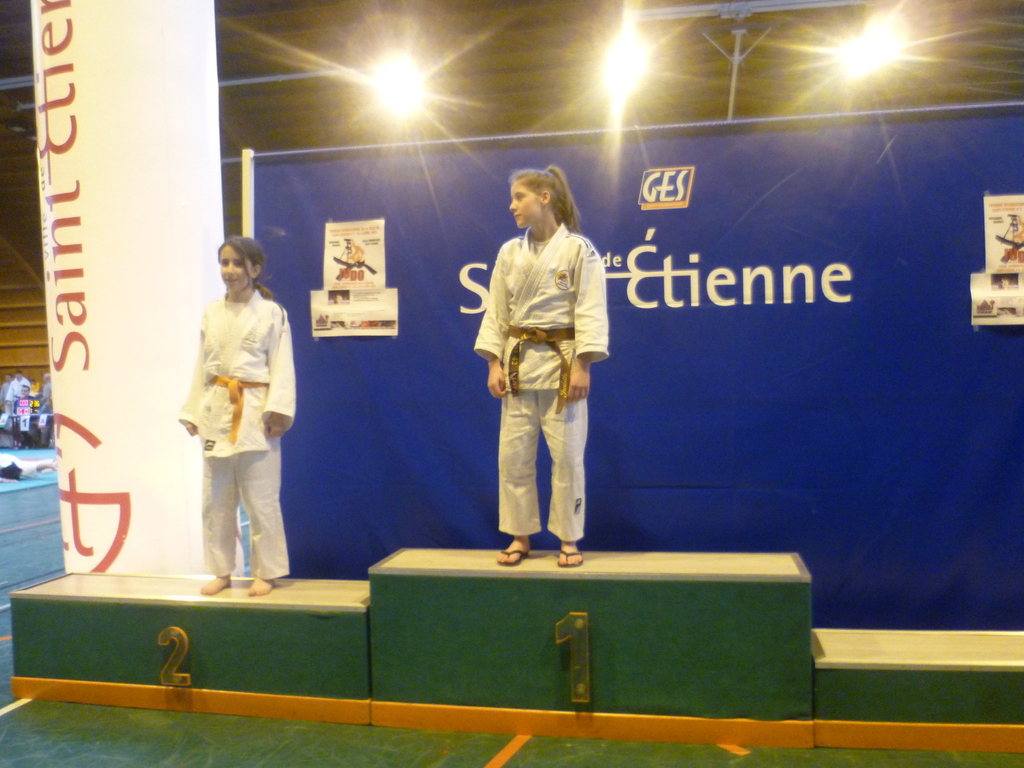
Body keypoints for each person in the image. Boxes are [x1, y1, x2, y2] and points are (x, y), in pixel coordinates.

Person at [474, 166, 609, 568]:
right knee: (513, 458)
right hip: (517, 366)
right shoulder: (509, 252)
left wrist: (583, 365)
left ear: (544, 198)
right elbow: (497, 311)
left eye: (519, 197)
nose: (512, 205)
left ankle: (568, 538)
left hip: (562, 366)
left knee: (567, 459)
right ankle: (520, 537)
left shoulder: (578, 250)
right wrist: (494, 363)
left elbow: (590, 308)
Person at [180, 236, 296, 597]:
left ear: (254, 269)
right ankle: (221, 570)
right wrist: (192, 409)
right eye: (224, 263)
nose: (229, 271)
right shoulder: (211, 313)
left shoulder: (272, 313)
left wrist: (278, 413)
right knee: (215, 501)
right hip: (216, 409)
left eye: (236, 263)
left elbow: (282, 366)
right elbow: (202, 365)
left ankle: (267, 571)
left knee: (261, 500)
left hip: (256, 413)